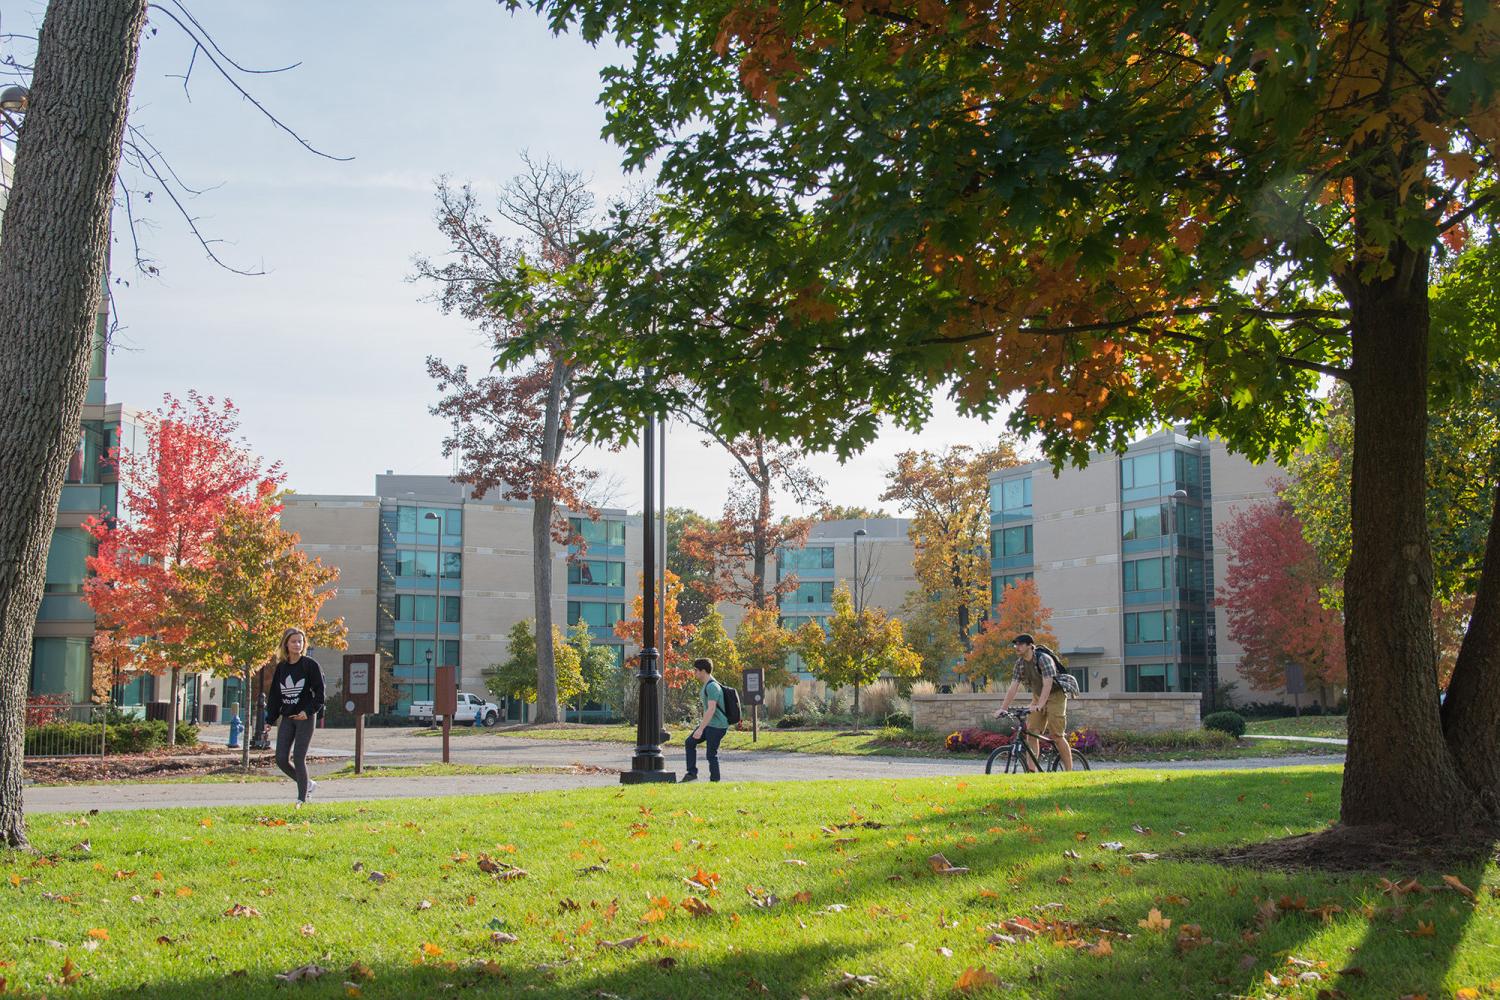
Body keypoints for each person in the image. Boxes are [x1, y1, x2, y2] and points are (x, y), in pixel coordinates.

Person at [993, 633, 1073, 771]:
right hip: (1038, 696)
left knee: (1056, 735)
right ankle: (1031, 772)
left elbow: (1047, 685)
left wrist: (1040, 706)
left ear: (1030, 646)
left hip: (1055, 696)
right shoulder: (1020, 664)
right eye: (1015, 644)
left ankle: (1070, 772)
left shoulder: (1044, 659)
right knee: (1031, 732)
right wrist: (1003, 708)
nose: (1017, 647)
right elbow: (1013, 687)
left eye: (1020, 644)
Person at [265, 627, 325, 805]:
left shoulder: (310, 665)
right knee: (281, 759)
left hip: (305, 718)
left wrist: (307, 712)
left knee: (299, 757)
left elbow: (320, 694)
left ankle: (302, 798)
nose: (297, 644)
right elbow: (275, 695)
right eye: (293, 641)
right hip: (287, 718)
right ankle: (308, 784)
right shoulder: (282, 668)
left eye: (300, 641)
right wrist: (269, 720)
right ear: (286, 644)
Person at [682, 657, 728, 783]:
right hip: (710, 724)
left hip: (717, 726)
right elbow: (708, 709)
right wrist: (701, 727)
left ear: (703, 671)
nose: (694, 673)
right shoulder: (707, 685)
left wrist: (701, 729)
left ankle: (715, 781)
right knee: (690, 742)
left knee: (711, 754)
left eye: (696, 670)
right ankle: (691, 774)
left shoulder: (712, 686)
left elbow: (711, 709)